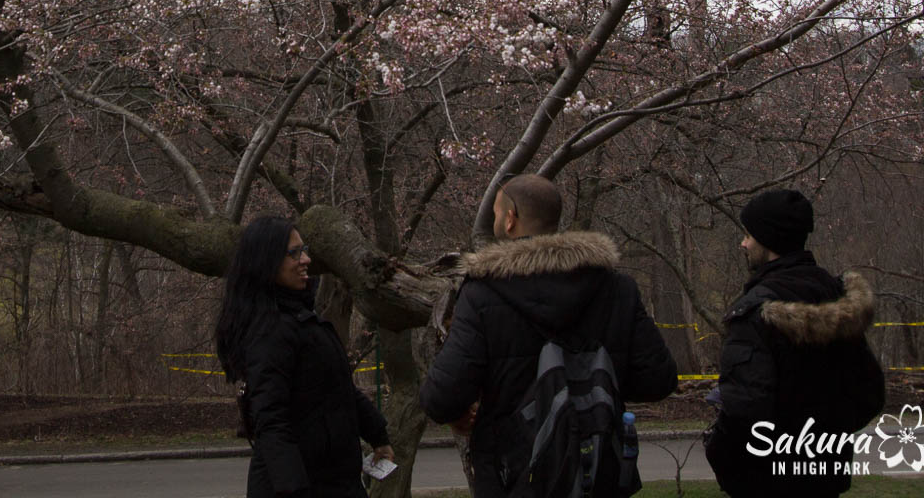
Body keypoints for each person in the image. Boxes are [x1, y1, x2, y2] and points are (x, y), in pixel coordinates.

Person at [419, 174, 678, 498]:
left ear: (511, 219)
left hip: (515, 477)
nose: (496, 219)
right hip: (598, 473)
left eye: (498, 212)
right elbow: (659, 379)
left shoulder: (482, 294)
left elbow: (441, 398)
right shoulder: (616, 288)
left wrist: (461, 412)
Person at [704, 189, 884, 498]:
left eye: (748, 235)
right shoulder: (833, 295)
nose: (743, 243)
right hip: (824, 477)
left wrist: (716, 449)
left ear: (768, 239)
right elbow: (869, 393)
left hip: (765, 481)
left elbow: (743, 411)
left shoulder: (755, 312)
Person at [216, 215, 393, 498]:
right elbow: (271, 418)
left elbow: (340, 389)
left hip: (334, 479)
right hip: (302, 486)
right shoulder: (269, 331)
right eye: (294, 253)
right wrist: (292, 488)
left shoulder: (302, 318)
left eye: (305, 249)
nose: (306, 259)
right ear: (267, 262)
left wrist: (378, 436)